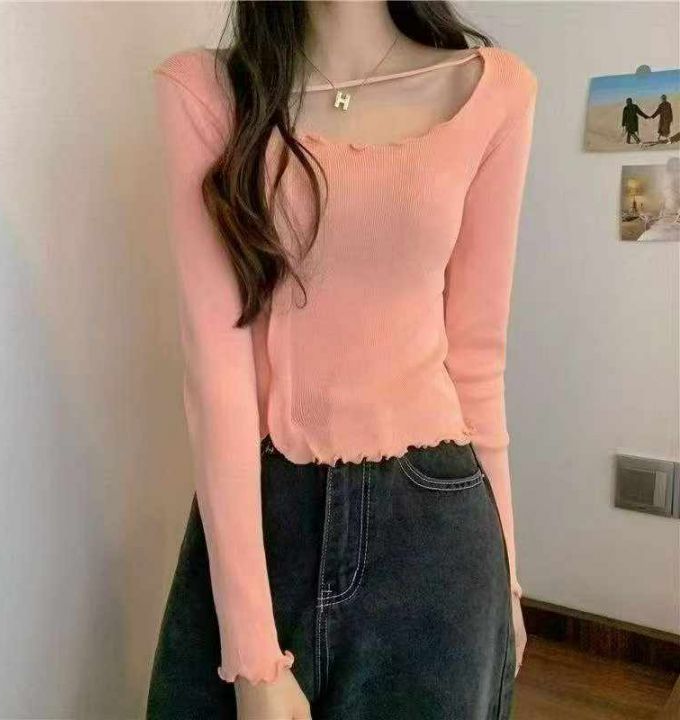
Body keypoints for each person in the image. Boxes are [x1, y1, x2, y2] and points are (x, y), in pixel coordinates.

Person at [147, 2, 538, 718]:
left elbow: (478, 358)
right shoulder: (205, 94)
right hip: (265, 518)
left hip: (437, 531)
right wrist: (252, 656)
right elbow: (216, 374)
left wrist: (506, 576)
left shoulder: (493, 91)